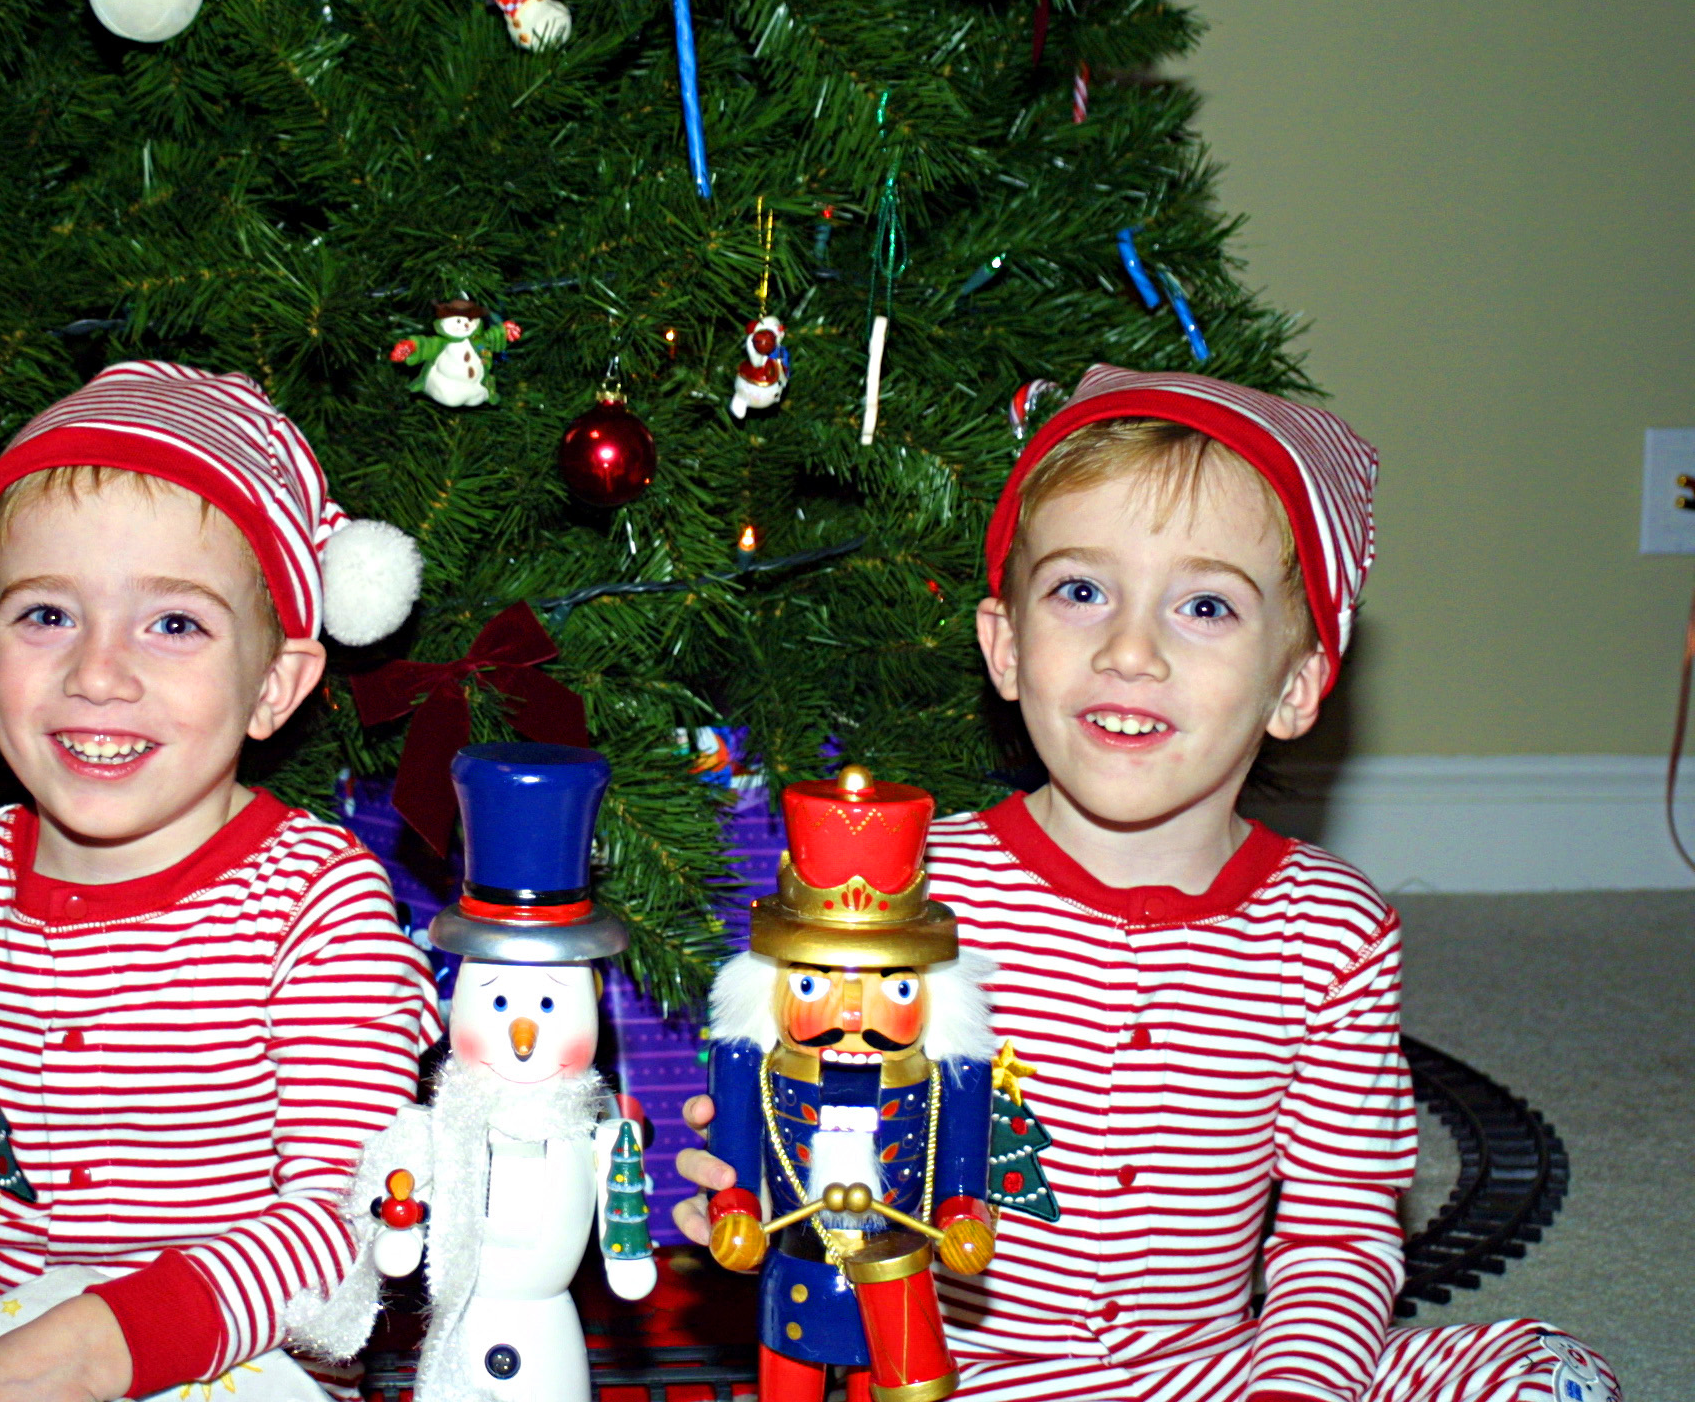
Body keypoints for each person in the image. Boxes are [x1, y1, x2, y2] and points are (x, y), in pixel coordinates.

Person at [674, 366, 1620, 1402]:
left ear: (1295, 685)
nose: (1130, 651)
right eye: (1081, 592)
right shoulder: (912, 898)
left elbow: (1340, 1232)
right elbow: (807, 1112)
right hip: (948, 1372)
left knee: (1536, 1371)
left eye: (1205, 606)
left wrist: (1291, 1392)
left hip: (1209, 1374)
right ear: (1006, 647)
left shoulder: (1332, 932)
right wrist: (751, 1185)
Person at [0, 361, 441, 1402]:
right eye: (47, 615)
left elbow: (345, 1220)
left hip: (246, 1357)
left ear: (274, 685)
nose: (96, 673)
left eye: (174, 624)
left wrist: (102, 1345)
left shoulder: (317, 904)